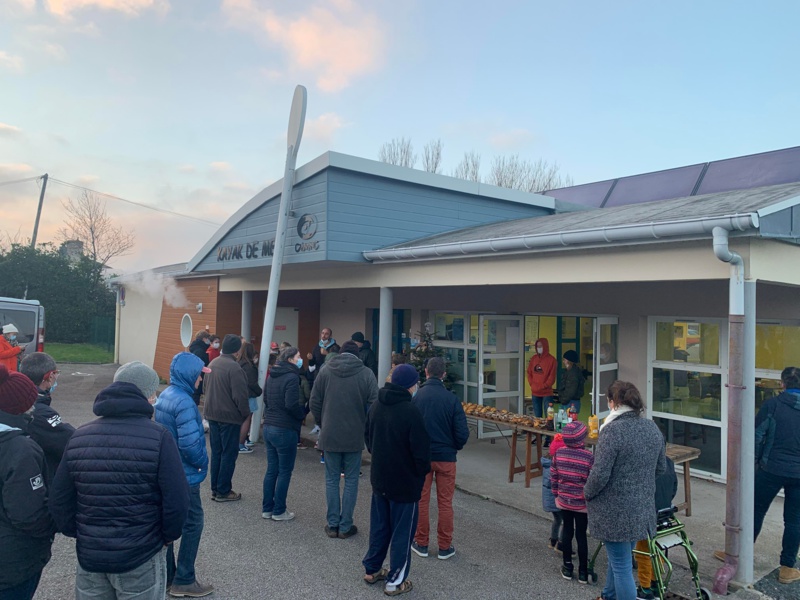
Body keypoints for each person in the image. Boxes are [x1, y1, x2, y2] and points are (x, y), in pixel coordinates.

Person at [49, 361, 189, 600]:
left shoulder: (80, 435)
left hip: (91, 556)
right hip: (141, 554)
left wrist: (79, 533)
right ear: (146, 394)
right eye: (154, 391)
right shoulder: (159, 437)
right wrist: (167, 537)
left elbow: (60, 498)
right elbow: (177, 499)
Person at [714, 366, 800, 584]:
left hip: (771, 469)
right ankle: (787, 568)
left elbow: (757, 434)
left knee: (754, 512)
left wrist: (756, 461)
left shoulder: (772, 405)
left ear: (782, 384)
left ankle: (738, 555)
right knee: (794, 521)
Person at [584, 380, 666, 600]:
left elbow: (600, 474)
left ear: (613, 403)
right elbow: (661, 467)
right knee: (618, 559)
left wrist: (587, 493)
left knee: (621, 567)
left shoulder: (612, 431)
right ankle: (608, 595)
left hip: (615, 512)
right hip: (642, 510)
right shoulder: (652, 427)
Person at [363, 364, 431, 596]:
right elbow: (421, 453)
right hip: (405, 484)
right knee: (402, 533)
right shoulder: (411, 412)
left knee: (380, 527)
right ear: (411, 386)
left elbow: (369, 439)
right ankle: (395, 581)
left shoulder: (376, 406)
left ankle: (372, 569)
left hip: (380, 479)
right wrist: (420, 473)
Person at [154, 352, 214, 598]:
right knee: (193, 523)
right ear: (190, 374)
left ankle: (169, 576)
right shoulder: (185, 402)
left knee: (168, 522)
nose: (200, 379)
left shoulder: (166, 395)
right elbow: (190, 446)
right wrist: (203, 463)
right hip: (185, 475)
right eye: (199, 375)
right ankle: (185, 579)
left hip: (168, 472)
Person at [310, 340, 378, 538]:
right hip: (354, 435)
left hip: (330, 434)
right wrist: (364, 425)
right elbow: (374, 404)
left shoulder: (325, 371)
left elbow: (314, 401)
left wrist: (322, 422)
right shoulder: (366, 374)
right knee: (351, 481)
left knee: (331, 479)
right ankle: (346, 525)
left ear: (340, 353)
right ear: (357, 355)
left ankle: (332, 524)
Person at [0, 364, 56, 600]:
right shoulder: (19, 448)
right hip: (12, 565)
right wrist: (53, 526)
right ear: (19, 408)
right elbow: (28, 514)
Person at [411, 357, 469, 560]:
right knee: (445, 502)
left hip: (423, 457)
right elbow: (462, 433)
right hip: (446, 457)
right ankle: (445, 546)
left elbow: (411, 429)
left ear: (426, 372)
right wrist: (453, 447)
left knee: (421, 500)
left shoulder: (417, 398)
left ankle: (421, 542)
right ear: (443, 374)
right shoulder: (451, 399)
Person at [203, 334, 250, 502]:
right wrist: (245, 414)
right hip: (229, 417)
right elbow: (240, 397)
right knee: (229, 454)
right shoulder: (235, 368)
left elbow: (204, 388)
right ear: (237, 350)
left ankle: (215, 488)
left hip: (212, 414)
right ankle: (224, 490)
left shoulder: (213, 363)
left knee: (217, 453)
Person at [261, 346, 306, 522]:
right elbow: (291, 404)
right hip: (285, 428)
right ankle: (279, 510)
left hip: (269, 426)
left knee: (272, 469)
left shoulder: (272, 376)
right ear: (290, 360)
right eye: (298, 356)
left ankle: (267, 508)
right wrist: (301, 415)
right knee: (285, 471)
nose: (300, 359)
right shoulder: (292, 378)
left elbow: (266, 399)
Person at [20, 352, 75, 481]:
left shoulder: (17, 401)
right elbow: (70, 441)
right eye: (56, 373)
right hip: (40, 478)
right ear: (50, 377)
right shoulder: (41, 412)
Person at [550, 421, 594, 584]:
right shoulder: (589, 456)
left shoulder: (559, 453)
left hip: (564, 500)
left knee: (567, 531)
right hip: (582, 503)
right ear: (582, 439)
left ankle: (567, 567)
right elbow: (592, 481)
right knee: (581, 534)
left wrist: (556, 494)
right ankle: (583, 571)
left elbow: (553, 476)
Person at [636, 456, 678, 600]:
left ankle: (645, 588)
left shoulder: (646, 464)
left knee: (643, 552)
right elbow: (674, 487)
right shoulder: (669, 463)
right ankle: (655, 581)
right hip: (664, 513)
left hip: (648, 515)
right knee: (658, 549)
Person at [237, 342, 262, 454]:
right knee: (247, 419)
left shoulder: (238, 363)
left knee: (239, 420)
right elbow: (252, 383)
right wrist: (259, 391)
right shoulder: (250, 366)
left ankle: (238, 442)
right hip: (249, 395)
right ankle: (241, 444)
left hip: (238, 395)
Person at [542, 434, 565, 553]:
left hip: (550, 500)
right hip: (558, 499)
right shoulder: (557, 467)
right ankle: (561, 543)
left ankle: (553, 539)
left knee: (557, 519)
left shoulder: (547, 464)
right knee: (566, 521)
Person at [526, 338, 557, 418]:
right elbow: (529, 372)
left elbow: (552, 378)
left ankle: (548, 430)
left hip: (547, 393)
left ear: (545, 346)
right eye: (537, 346)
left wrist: (542, 386)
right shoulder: (534, 359)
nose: (539, 348)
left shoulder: (552, 360)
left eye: (541, 346)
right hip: (535, 393)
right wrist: (532, 384)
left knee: (549, 417)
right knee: (537, 417)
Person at [557, 349, 585, 415]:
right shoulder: (572, 371)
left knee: (569, 423)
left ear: (569, 361)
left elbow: (570, 390)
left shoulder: (573, 374)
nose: (563, 361)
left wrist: (563, 400)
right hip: (571, 401)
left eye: (564, 359)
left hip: (570, 403)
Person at [188, 330, 211, 404]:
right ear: (204, 339)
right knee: (194, 401)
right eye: (208, 339)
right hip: (197, 380)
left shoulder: (195, 348)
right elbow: (201, 367)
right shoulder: (200, 351)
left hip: (194, 380)